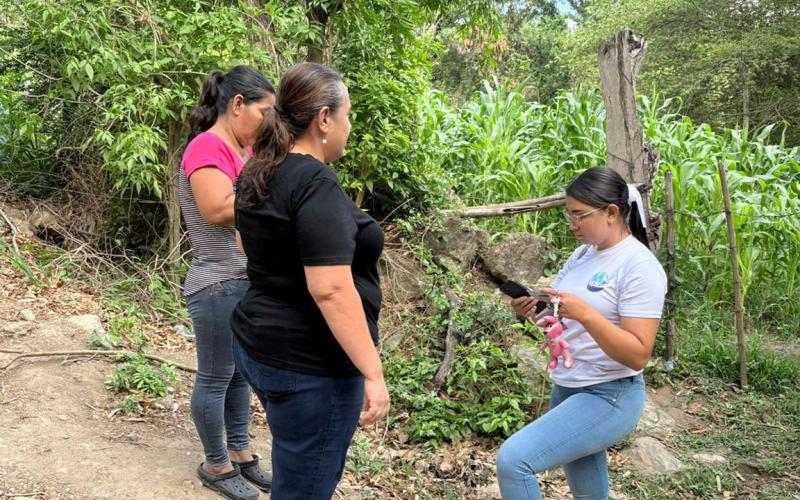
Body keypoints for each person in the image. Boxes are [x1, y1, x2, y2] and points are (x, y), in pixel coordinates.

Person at [496, 167, 667, 500]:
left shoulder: (639, 267)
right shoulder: (582, 255)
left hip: (609, 394)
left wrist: (586, 314)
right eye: (568, 215)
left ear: (611, 213)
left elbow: (638, 353)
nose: (572, 225)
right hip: (568, 388)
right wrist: (535, 311)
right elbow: (562, 319)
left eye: (579, 215)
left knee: (514, 461)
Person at [180, 66, 275, 500]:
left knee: (238, 376)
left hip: (238, 281)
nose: (269, 121)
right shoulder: (207, 146)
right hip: (216, 280)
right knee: (216, 376)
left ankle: (239, 453)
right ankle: (215, 463)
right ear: (238, 105)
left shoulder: (241, 150)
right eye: (265, 111)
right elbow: (218, 210)